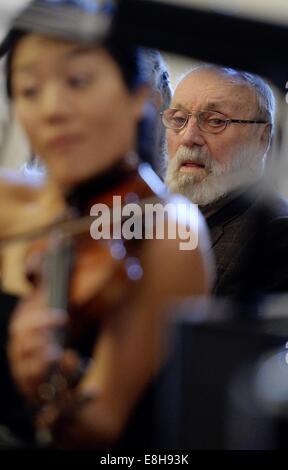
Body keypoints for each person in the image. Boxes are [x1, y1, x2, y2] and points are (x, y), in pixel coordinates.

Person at [0, 0, 212, 449]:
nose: (52, 108)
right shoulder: (12, 201)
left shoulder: (168, 231)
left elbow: (96, 429)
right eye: (29, 89)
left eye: (77, 80)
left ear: (140, 97)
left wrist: (39, 384)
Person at [163, 64, 288, 297]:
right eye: (179, 119)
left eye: (215, 121)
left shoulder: (274, 234)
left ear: (262, 139)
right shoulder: (160, 214)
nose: (189, 138)